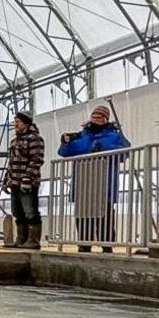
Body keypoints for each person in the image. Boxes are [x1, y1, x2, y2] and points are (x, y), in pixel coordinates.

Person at [57, 104, 130, 251]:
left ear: (106, 119)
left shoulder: (115, 136)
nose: (96, 120)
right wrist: (65, 142)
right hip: (83, 183)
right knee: (84, 216)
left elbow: (125, 151)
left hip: (105, 183)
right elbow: (64, 152)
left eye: (100, 117)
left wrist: (104, 149)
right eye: (94, 117)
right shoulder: (82, 135)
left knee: (105, 215)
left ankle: (107, 245)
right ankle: (84, 245)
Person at [5, 112, 45, 249]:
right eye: (15, 121)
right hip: (15, 182)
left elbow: (36, 160)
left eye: (19, 122)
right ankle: (21, 239)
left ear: (26, 123)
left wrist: (27, 178)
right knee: (17, 212)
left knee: (30, 211)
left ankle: (33, 240)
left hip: (28, 183)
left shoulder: (35, 139)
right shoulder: (14, 141)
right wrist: (7, 178)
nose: (15, 124)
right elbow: (11, 162)